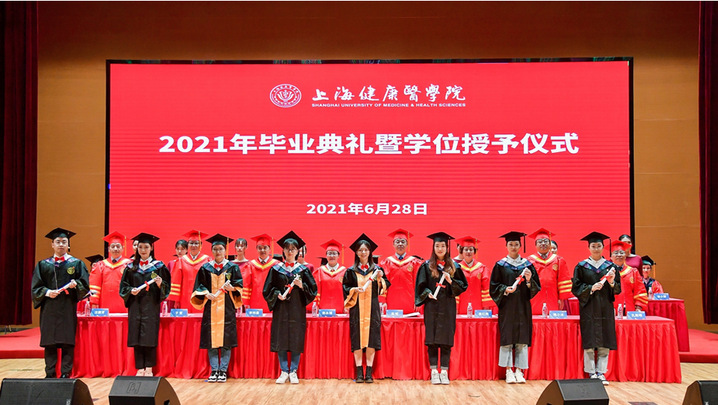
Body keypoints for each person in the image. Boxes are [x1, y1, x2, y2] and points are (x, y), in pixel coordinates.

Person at [32, 227, 90, 378]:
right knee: (49, 342)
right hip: (49, 308)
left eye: (64, 242)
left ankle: (66, 373)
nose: (61, 245)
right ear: (52, 244)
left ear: (68, 244)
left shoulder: (76, 264)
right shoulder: (43, 265)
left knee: (67, 341)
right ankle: (50, 373)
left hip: (67, 307)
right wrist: (47, 292)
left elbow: (85, 285)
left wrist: (76, 284)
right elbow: (36, 287)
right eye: (58, 242)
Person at [263, 231, 317, 384]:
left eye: (293, 249)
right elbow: (267, 289)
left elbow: (313, 290)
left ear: (298, 251)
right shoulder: (276, 269)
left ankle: (293, 371)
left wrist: (302, 285)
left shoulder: (303, 270)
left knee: (295, 339)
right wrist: (277, 295)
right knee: (281, 339)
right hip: (281, 309)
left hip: (296, 309)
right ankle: (283, 371)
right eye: (287, 248)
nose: (290, 251)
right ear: (283, 251)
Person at [415, 232, 468, 385]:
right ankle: (434, 371)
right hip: (432, 307)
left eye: (443, 246)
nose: (440, 249)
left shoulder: (454, 266)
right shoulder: (426, 266)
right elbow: (420, 287)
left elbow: (463, 286)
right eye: (437, 246)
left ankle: (444, 372)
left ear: (447, 247)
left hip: (447, 307)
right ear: (433, 247)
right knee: (432, 340)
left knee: (446, 340)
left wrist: (451, 281)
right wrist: (427, 293)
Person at [190, 234, 243, 383]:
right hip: (211, 307)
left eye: (220, 249)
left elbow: (239, 286)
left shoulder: (232, 267)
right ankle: (214, 370)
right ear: (212, 251)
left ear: (225, 250)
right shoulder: (205, 268)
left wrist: (232, 288)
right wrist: (205, 294)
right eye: (215, 249)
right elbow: (199, 286)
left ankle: (223, 371)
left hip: (227, 308)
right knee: (211, 341)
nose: (218, 252)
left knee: (226, 341)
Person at [490, 231, 540, 384]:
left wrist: (529, 280)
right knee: (507, 338)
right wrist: (505, 289)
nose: (513, 247)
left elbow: (536, 287)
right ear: (506, 246)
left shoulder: (527, 265)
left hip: (523, 306)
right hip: (507, 307)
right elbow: (493, 287)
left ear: (520, 246)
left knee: (522, 339)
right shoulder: (500, 265)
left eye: (516, 244)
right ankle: (508, 371)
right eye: (510, 244)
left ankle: (519, 370)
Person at [572, 231, 620, 385]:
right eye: (593, 246)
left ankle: (601, 372)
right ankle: (591, 372)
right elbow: (575, 287)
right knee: (590, 341)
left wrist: (611, 282)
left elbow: (618, 289)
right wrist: (591, 288)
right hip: (589, 308)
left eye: (599, 246)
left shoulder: (610, 267)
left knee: (605, 341)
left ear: (603, 247)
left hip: (605, 307)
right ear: (589, 248)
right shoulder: (582, 266)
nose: (596, 249)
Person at [119, 233, 171, 377]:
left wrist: (160, 284)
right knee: (136, 337)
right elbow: (123, 287)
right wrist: (131, 291)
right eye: (140, 247)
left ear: (151, 248)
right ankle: (139, 367)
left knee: (149, 337)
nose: (143, 250)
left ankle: (149, 367)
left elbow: (167, 288)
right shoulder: (130, 268)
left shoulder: (159, 267)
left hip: (151, 306)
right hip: (135, 306)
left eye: (146, 247)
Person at [343, 234, 390, 384]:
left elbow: (384, 288)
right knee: (357, 339)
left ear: (370, 252)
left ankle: (368, 372)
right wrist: (354, 290)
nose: (363, 252)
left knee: (371, 339)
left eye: (366, 250)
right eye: (360, 250)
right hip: (356, 309)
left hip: (372, 308)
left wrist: (380, 278)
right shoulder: (351, 271)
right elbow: (345, 288)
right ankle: (359, 372)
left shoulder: (377, 270)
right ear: (356, 253)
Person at [527, 228, 572, 315]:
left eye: (546, 241)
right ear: (535, 245)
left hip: (553, 297)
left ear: (550, 244)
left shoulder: (558, 260)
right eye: (540, 242)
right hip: (535, 297)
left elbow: (563, 279)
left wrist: (561, 298)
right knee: (535, 318)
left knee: (553, 318)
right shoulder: (529, 261)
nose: (543, 243)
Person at [379, 229, 423, 314]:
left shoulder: (414, 262)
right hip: (391, 302)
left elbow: (418, 283)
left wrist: (418, 300)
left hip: (410, 302)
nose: (400, 244)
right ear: (393, 244)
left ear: (407, 244)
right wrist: (382, 301)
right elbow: (382, 284)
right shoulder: (386, 263)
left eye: (403, 242)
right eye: (397, 242)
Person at [89, 231, 132, 313]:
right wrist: (94, 303)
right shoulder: (100, 265)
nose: (115, 249)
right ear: (109, 249)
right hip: (104, 305)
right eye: (113, 246)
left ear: (123, 248)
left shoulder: (129, 265)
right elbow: (95, 286)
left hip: (124, 305)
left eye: (118, 246)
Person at [169, 230, 210, 313]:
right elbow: (176, 281)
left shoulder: (207, 260)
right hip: (184, 298)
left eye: (196, 243)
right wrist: (176, 300)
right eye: (191, 243)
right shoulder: (181, 260)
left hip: (201, 297)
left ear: (201, 245)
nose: (193, 245)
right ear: (188, 245)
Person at [455, 236, 494, 315]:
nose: (468, 252)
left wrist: (486, 307)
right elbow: (455, 290)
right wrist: (455, 307)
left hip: (479, 307)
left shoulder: (482, 268)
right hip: (462, 307)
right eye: (466, 249)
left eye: (471, 249)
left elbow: (486, 288)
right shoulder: (457, 269)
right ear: (462, 251)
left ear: (474, 251)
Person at [245, 234, 280, 312]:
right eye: (260, 248)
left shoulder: (276, 265)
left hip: (272, 303)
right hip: (254, 303)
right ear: (256, 249)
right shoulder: (250, 265)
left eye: (265, 248)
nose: (262, 250)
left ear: (269, 249)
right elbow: (246, 285)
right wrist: (246, 304)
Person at [610, 241, 648, 312]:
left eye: (622, 253)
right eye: (616, 253)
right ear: (611, 257)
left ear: (625, 256)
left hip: (630, 309)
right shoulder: (606, 272)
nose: (619, 255)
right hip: (611, 310)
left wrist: (639, 307)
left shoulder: (633, 272)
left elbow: (640, 290)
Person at [314, 239, 348, 312]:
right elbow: (316, 290)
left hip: (340, 308)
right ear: (326, 256)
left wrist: (347, 305)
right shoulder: (320, 271)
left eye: (334, 253)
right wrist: (316, 305)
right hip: (323, 309)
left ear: (338, 255)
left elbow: (347, 291)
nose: (332, 256)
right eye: (329, 253)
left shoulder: (345, 272)